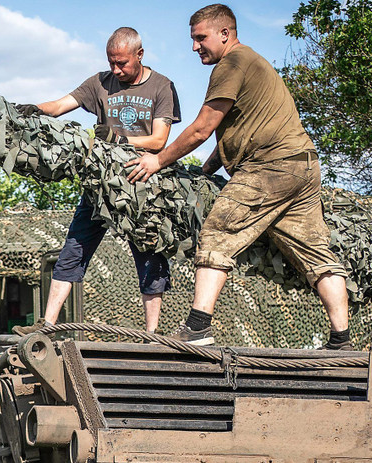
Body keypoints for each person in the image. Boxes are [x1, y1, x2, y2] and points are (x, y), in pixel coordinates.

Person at [125, 4, 353, 350]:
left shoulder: (231, 63)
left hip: (270, 166)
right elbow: (233, 135)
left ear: (225, 34)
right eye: (192, 39)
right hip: (302, 167)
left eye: (200, 38)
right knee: (316, 254)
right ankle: (342, 340)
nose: (194, 46)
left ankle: (198, 327)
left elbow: (202, 129)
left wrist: (158, 160)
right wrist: (201, 172)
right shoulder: (254, 63)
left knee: (218, 231)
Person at [23, 26, 182, 334]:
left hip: (142, 185)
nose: (115, 69)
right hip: (102, 184)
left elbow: (160, 140)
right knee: (74, 246)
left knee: (150, 254)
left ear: (139, 55)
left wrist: (118, 138)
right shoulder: (99, 83)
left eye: (122, 62)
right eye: (111, 62)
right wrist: (34, 110)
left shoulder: (162, 87)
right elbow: (60, 105)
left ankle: (152, 335)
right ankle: (47, 324)